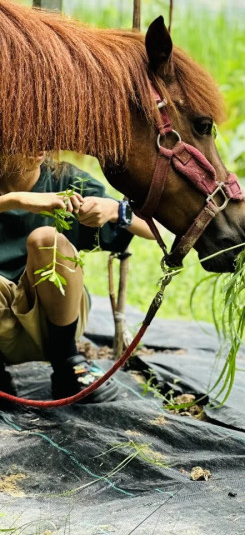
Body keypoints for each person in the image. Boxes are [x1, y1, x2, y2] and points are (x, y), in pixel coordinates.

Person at [0, 153, 155, 404]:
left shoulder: (65, 179)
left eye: (46, 132)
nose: (40, 144)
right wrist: (15, 201)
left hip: (55, 320)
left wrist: (117, 210)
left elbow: (153, 229)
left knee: (46, 239)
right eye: (26, 132)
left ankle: (66, 365)